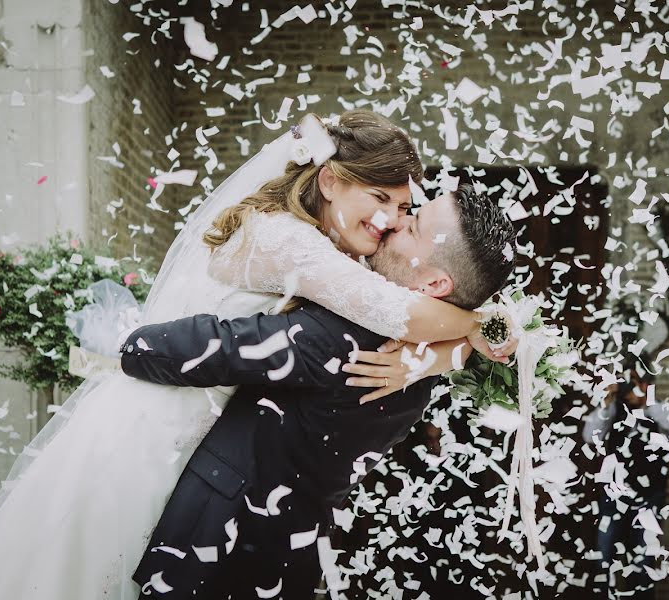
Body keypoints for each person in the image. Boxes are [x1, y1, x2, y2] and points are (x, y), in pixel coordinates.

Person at [0, 110, 512, 600]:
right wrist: (473, 327)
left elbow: (239, 345)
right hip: (166, 426)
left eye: (406, 215)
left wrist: (456, 347)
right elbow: (398, 307)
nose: (392, 222)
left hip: (211, 473)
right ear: (330, 181)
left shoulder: (364, 320)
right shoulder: (294, 245)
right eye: (384, 201)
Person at [121, 185, 517, 599]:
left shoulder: (350, 339)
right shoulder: (429, 358)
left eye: (412, 226)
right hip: (283, 560)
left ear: (435, 283)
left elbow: (174, 350)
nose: (395, 221)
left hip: (218, 549)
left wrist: (126, 343)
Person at [582, 357, 669, 599]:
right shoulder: (615, 409)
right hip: (613, 493)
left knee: (644, 555)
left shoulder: (660, 411)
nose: (628, 388)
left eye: (634, 382)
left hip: (649, 495)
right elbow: (588, 436)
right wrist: (607, 400)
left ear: (646, 384)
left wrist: (647, 402)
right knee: (604, 550)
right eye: (626, 382)